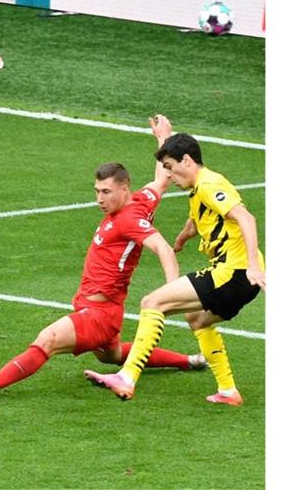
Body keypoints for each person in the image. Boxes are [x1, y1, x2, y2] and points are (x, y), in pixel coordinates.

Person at [0, 116, 207, 404]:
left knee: (48, 339)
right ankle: (189, 361)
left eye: (106, 192)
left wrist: (171, 291)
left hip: (99, 315)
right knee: (112, 356)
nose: (99, 199)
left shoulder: (129, 219)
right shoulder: (140, 200)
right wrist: (163, 137)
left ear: (124, 188)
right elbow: (162, 179)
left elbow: (163, 249)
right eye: (97, 191)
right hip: (103, 309)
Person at [84, 115, 265, 407]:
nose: (169, 175)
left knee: (152, 303)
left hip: (236, 272)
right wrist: (184, 236)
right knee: (198, 319)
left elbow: (245, 217)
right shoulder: (199, 188)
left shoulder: (209, 184)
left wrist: (254, 267)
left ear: (187, 161)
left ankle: (127, 376)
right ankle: (228, 391)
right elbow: (199, 219)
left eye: (171, 167)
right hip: (240, 277)